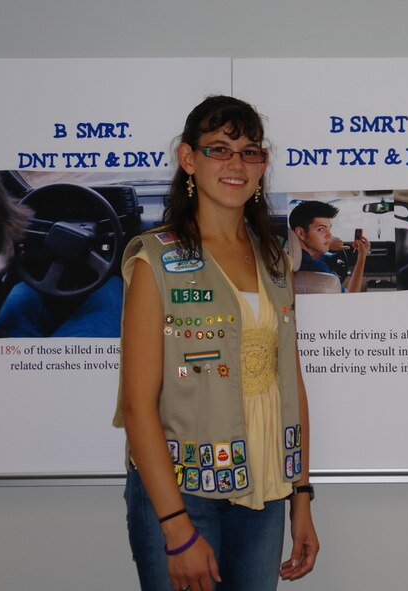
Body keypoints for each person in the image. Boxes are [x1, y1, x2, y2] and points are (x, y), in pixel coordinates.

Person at [113, 95, 319, 591]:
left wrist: (302, 497)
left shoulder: (275, 261)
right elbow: (138, 407)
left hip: (267, 486)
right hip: (181, 494)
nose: (236, 164)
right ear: (189, 159)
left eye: (250, 151)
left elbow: (289, 378)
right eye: (220, 149)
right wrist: (177, 529)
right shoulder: (155, 261)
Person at [288, 200, 370, 293]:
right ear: (301, 233)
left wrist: (325, 247)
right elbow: (350, 297)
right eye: (321, 229)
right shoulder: (317, 269)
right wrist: (362, 256)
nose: (329, 235)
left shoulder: (290, 259)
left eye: (329, 228)